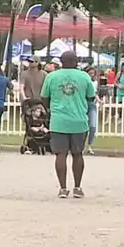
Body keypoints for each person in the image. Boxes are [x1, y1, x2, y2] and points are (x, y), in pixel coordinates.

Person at [40, 51, 95, 199]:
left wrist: (52, 109)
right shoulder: (84, 77)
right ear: (76, 61)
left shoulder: (51, 77)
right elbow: (91, 97)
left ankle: (63, 188)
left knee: (60, 154)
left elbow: (44, 98)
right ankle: (77, 187)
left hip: (58, 121)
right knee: (78, 155)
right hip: (79, 121)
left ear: (61, 62)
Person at [86, 67, 100, 154]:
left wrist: (98, 99)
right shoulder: (83, 82)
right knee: (82, 126)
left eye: (92, 73)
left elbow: (95, 93)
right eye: (89, 73)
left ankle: (89, 145)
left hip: (92, 104)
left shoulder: (95, 82)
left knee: (93, 126)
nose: (91, 75)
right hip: (83, 104)